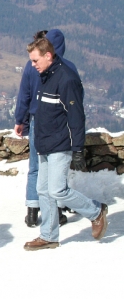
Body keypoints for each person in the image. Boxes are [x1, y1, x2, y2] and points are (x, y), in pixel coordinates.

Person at [23, 37, 108, 251]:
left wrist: (78, 149)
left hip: (60, 143)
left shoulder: (67, 79)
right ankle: (49, 236)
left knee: (58, 190)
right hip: (44, 143)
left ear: (48, 56)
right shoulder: (46, 75)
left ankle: (96, 212)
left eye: (35, 60)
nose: (33, 65)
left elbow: (76, 117)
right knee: (43, 189)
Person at [14, 29, 77, 228]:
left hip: (35, 120)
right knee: (55, 169)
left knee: (35, 167)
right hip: (60, 123)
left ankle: (32, 211)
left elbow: (24, 94)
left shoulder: (31, 66)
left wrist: (20, 120)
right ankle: (56, 210)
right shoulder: (68, 67)